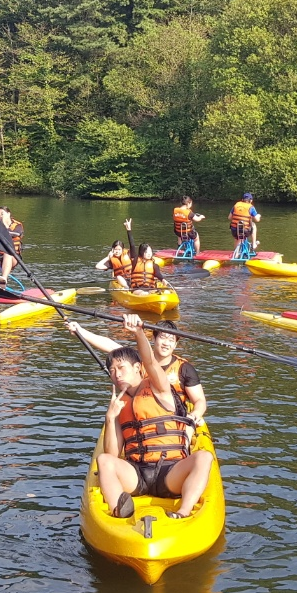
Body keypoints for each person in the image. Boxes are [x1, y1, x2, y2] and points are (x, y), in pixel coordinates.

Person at [88, 314, 214, 520]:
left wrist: (138, 332)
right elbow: (112, 454)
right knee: (104, 461)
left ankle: (183, 511)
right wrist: (110, 419)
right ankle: (119, 509)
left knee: (203, 457)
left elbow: (151, 362)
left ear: (138, 368)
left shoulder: (159, 386)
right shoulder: (118, 403)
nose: (116, 375)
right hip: (137, 473)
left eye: (121, 369)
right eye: (112, 371)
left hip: (171, 471)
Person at [68, 319, 207, 428]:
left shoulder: (185, 368)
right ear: (153, 339)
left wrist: (195, 414)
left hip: (173, 418)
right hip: (141, 416)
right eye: (163, 338)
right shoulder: (138, 360)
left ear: (175, 345)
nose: (166, 343)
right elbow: (111, 346)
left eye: (171, 340)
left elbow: (199, 400)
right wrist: (81, 331)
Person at [125, 220, 168, 292]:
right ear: (141, 252)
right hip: (137, 288)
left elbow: (158, 274)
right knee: (143, 293)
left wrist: (162, 279)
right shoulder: (135, 260)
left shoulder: (154, 265)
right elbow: (132, 246)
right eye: (146, 252)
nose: (149, 253)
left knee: (165, 292)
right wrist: (129, 230)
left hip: (149, 288)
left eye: (150, 251)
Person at [0, 206, 23, 284]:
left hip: (13, 256)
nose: (0, 216)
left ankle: (3, 280)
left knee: (7, 254)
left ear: (8, 214)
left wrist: (5, 224)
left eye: (2, 214)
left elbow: (16, 234)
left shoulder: (18, 225)